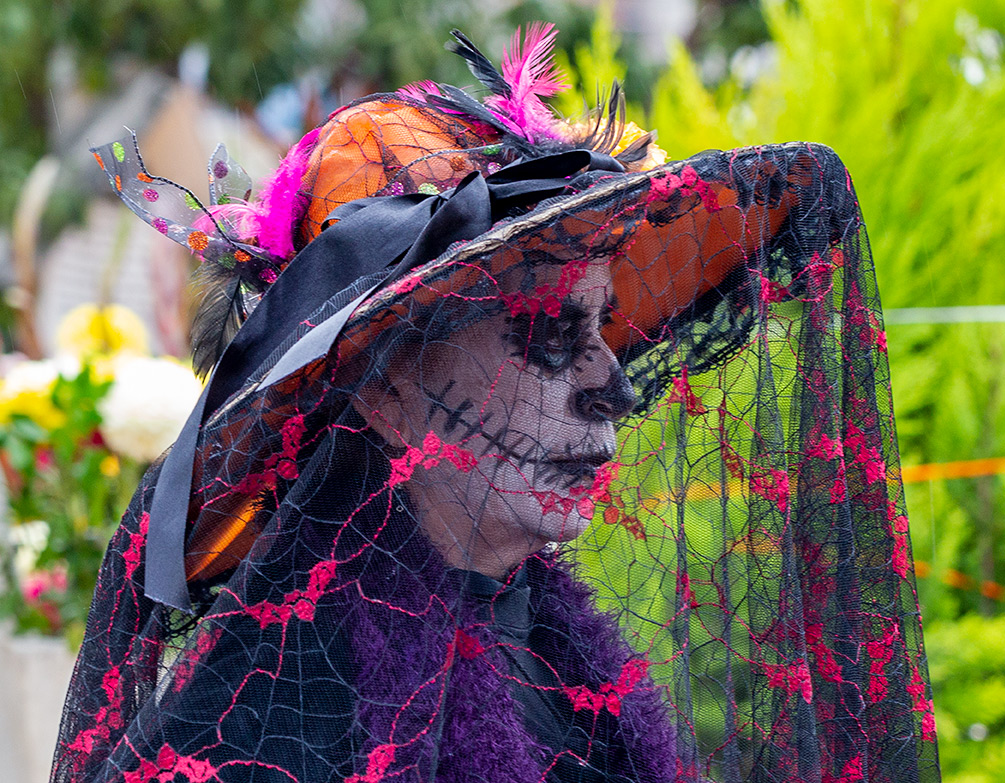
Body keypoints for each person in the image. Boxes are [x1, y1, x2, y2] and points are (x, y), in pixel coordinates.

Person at [53, 24, 940, 783]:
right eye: (551, 332)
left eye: (605, 326)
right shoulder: (264, 724)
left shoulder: (564, 663)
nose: (614, 385)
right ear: (390, 387)